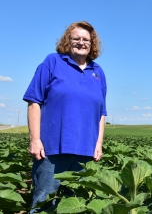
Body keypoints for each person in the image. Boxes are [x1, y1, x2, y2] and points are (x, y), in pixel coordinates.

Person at [23, 21, 107, 211]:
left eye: (86, 39)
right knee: (44, 202)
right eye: (76, 38)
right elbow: (34, 101)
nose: (81, 42)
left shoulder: (98, 72)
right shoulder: (53, 62)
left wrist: (98, 144)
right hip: (52, 149)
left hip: (85, 152)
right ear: (67, 41)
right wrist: (35, 139)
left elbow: (101, 113)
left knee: (77, 205)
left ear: (92, 44)